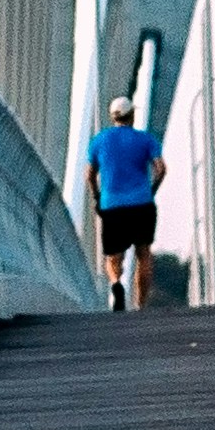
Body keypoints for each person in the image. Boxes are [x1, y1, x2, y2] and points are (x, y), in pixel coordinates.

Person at [85, 102, 162, 311]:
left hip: (112, 205)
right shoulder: (145, 139)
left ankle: (116, 283)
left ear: (113, 117)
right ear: (132, 115)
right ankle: (140, 305)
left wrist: (97, 196)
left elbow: (89, 175)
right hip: (142, 203)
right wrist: (151, 190)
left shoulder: (99, 140)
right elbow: (161, 169)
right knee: (143, 254)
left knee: (113, 257)